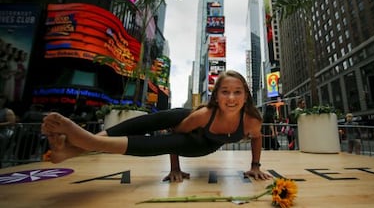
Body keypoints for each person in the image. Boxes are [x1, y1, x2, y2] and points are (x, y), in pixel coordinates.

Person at [42, 70, 272, 182]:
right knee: (153, 120)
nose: (231, 98)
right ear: (216, 96)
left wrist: (255, 165)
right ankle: (73, 148)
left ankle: (86, 143)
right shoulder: (205, 114)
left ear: (245, 96)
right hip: (189, 122)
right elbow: (175, 132)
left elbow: (257, 137)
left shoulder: (252, 120)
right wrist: (174, 168)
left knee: (167, 141)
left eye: (237, 92)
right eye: (225, 92)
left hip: (200, 144)